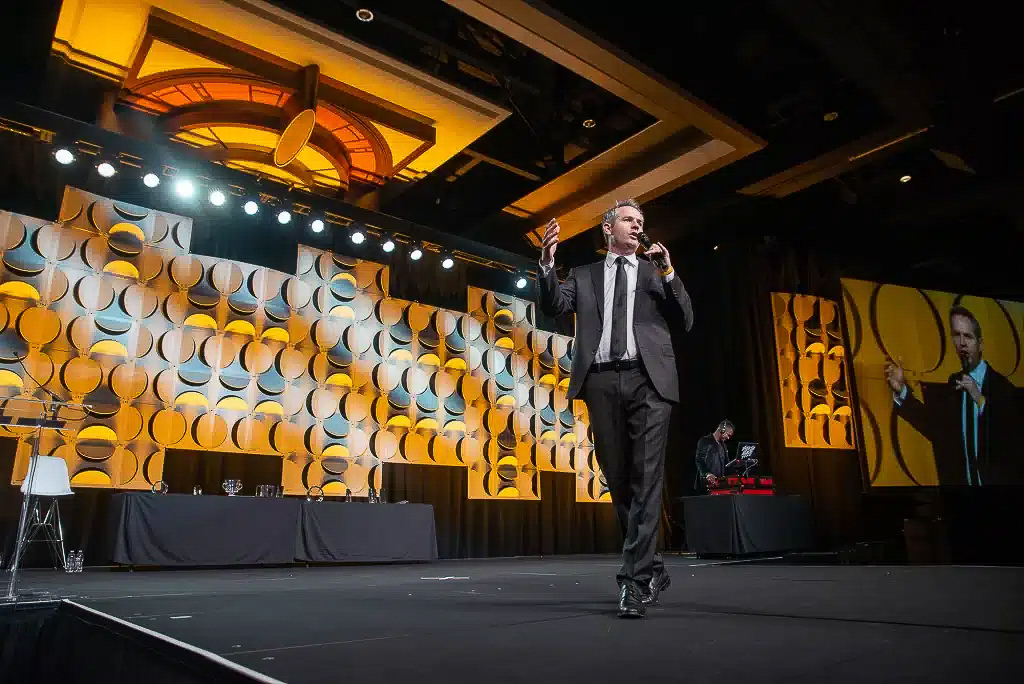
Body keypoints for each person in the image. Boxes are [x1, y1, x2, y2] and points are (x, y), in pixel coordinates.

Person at [537, 198, 694, 618]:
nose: (637, 225)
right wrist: (548, 265)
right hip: (602, 381)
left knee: (646, 480)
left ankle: (635, 583)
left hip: (649, 382)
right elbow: (553, 306)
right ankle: (652, 567)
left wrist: (670, 272)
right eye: (628, 219)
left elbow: (686, 319)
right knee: (620, 483)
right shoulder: (584, 275)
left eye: (641, 221)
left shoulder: (654, 272)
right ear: (608, 229)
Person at [884, 305, 1021, 486]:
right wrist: (901, 390)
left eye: (968, 337)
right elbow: (934, 428)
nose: (962, 343)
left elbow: (1012, 440)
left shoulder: (1003, 388)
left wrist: (980, 400)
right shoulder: (954, 384)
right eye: (957, 335)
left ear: (980, 344)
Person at [694, 420, 735, 491]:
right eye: (728, 435)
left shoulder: (723, 445)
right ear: (722, 430)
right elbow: (699, 460)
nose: (728, 438)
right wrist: (707, 473)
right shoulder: (705, 441)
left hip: (719, 485)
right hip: (706, 484)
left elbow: (727, 464)